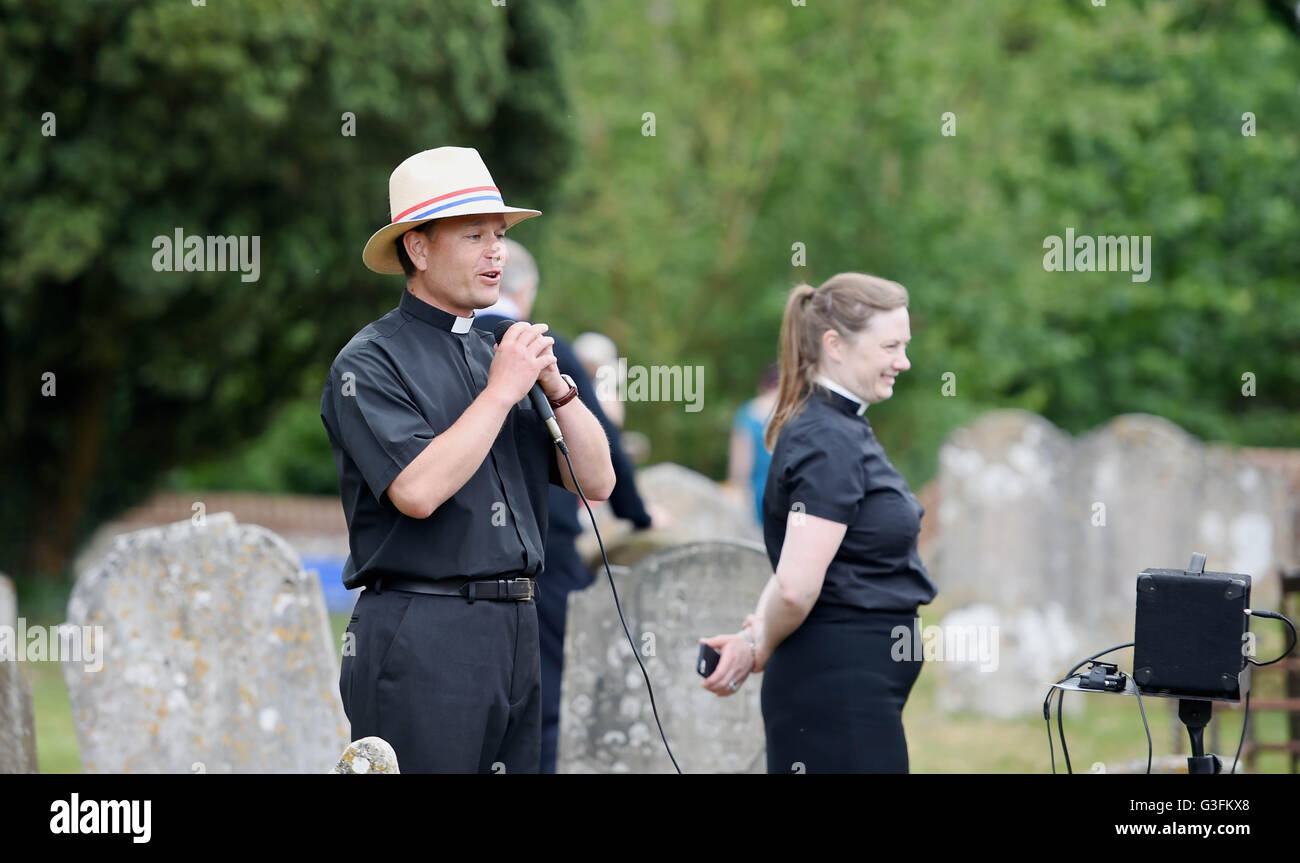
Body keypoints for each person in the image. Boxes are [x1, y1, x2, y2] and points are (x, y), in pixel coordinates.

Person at [320, 146, 616, 773]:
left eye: (500, 236)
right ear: (418, 250)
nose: (496, 253)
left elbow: (597, 481)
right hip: (422, 630)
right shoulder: (368, 362)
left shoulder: (495, 351)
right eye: (474, 235)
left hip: (516, 627)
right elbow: (418, 490)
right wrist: (504, 390)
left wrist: (559, 388)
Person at [700, 273, 937, 774]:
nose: (904, 361)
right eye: (891, 346)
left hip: (850, 684)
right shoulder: (827, 437)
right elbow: (794, 588)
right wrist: (758, 639)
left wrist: (752, 641)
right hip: (837, 687)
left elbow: (800, 565)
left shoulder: (839, 425)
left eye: (905, 346)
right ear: (835, 345)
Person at [474, 238, 665, 773]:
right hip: (542, 542)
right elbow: (602, 440)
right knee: (549, 682)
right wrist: (640, 514)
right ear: (526, 288)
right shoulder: (537, 342)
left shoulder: (440, 343)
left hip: (458, 563)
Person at [726, 364, 779, 525]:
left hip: (759, 493)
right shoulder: (798, 410)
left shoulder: (749, 411)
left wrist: (737, 491)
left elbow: (740, 467)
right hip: (792, 492)